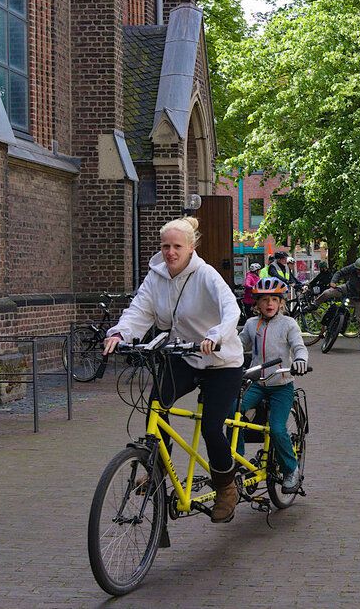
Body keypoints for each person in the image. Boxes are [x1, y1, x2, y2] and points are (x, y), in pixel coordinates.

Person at [103, 217, 244, 524]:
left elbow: (231, 308)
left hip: (220, 361)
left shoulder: (205, 275)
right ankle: (157, 469)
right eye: (165, 246)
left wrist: (216, 335)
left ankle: (226, 487)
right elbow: (140, 310)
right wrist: (119, 334)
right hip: (185, 355)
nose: (170, 252)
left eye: (177, 246)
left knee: (210, 427)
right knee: (156, 403)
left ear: (191, 247)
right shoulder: (156, 277)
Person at [237, 277, 309, 492]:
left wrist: (300, 361)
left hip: (281, 385)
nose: (269, 304)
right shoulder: (251, 324)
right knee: (233, 415)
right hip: (257, 383)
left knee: (277, 429)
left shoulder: (288, 324)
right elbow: (239, 345)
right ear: (257, 304)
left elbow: (299, 346)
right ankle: (238, 462)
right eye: (264, 299)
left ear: (281, 303)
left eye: (274, 299)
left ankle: (291, 469)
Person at [314, 257, 360, 351]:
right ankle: (314, 304)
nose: (357, 271)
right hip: (347, 289)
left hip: (359, 297)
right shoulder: (353, 267)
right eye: (357, 269)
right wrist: (333, 282)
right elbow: (339, 272)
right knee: (328, 292)